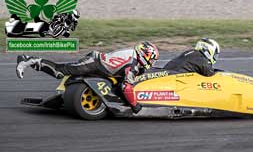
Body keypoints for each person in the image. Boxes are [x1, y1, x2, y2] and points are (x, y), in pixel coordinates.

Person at [16, 41, 159, 113]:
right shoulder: (133, 63)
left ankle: (65, 93)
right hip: (94, 64)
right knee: (61, 72)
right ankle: (29, 60)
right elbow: (126, 87)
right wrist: (136, 106)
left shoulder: (133, 56)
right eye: (151, 58)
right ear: (145, 55)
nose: (151, 62)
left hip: (102, 68)